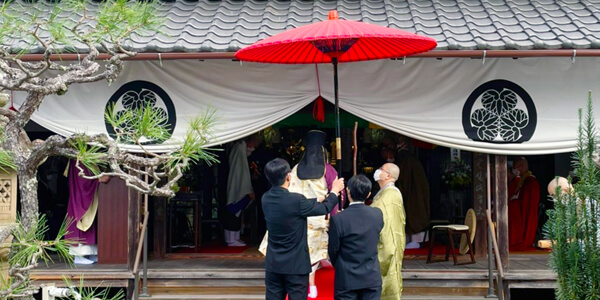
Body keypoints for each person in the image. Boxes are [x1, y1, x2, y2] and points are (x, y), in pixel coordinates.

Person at [259, 130, 343, 298]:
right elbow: (325, 207)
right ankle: (312, 285)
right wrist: (334, 193)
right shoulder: (328, 170)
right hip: (299, 255)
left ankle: (312, 285)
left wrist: (313, 200)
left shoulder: (266, 198)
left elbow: (294, 200)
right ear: (287, 176)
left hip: (275, 262)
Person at [328, 175, 383, 300]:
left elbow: (333, 249)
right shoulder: (377, 214)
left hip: (347, 275)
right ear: (368, 194)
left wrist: (341, 265)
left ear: (347, 191)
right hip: (371, 275)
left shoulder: (339, 219)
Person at [371, 163, 405, 300]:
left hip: (387, 244)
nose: (378, 170)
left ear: (388, 176)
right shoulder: (385, 192)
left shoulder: (391, 195)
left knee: (388, 280)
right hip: (383, 242)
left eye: (381, 169)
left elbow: (388, 225)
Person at [392, 135, 430, 249]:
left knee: (413, 213)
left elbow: (403, 179)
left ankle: (414, 242)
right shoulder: (411, 159)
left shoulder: (404, 160)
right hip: (415, 192)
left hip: (410, 192)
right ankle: (414, 241)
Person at [223, 134, 261, 247]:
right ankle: (231, 239)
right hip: (238, 185)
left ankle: (235, 237)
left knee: (237, 213)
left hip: (236, 183)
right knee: (234, 210)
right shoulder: (239, 148)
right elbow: (242, 171)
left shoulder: (239, 148)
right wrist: (248, 189)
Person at [508, 157, 540, 251]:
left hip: (524, 213)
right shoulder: (523, 180)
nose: (513, 169)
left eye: (515, 166)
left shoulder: (530, 182)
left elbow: (526, 202)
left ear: (521, 167)